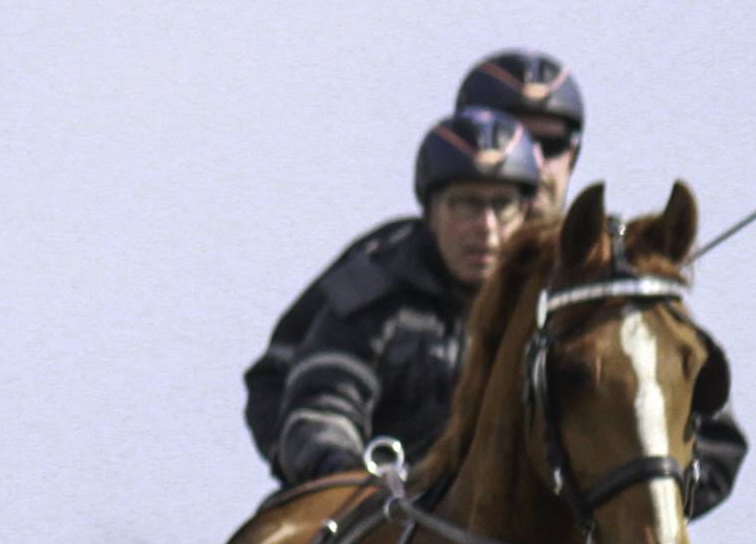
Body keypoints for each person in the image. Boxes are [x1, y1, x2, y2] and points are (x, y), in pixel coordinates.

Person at [243, 50, 586, 477]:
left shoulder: (596, 282)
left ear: (574, 154)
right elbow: (295, 385)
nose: (528, 154)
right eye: (466, 203)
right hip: (387, 497)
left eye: (549, 144)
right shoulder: (384, 271)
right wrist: (340, 476)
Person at [455, 49, 585, 219]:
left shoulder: (609, 236)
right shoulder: (419, 237)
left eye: (552, 146)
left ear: (573, 158)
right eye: (510, 144)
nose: (536, 163)